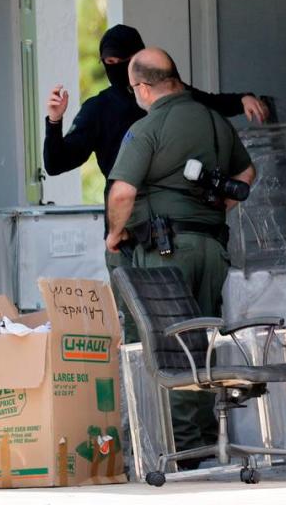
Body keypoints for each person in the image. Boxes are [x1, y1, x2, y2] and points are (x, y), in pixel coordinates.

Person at [43, 24, 266, 341]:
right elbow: (57, 163)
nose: (118, 71)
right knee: (197, 337)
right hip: (169, 239)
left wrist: (240, 100)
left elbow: (211, 104)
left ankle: (168, 391)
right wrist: (54, 121)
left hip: (155, 241)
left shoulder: (163, 113)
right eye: (110, 63)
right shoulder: (106, 110)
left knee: (156, 340)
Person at [105, 47, 256, 462]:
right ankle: (207, 442)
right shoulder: (214, 121)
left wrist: (115, 234)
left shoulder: (148, 127)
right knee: (202, 342)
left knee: (170, 348)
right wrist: (214, 210)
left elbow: (122, 190)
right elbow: (247, 174)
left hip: (165, 253)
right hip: (211, 248)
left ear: (143, 87)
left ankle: (182, 451)